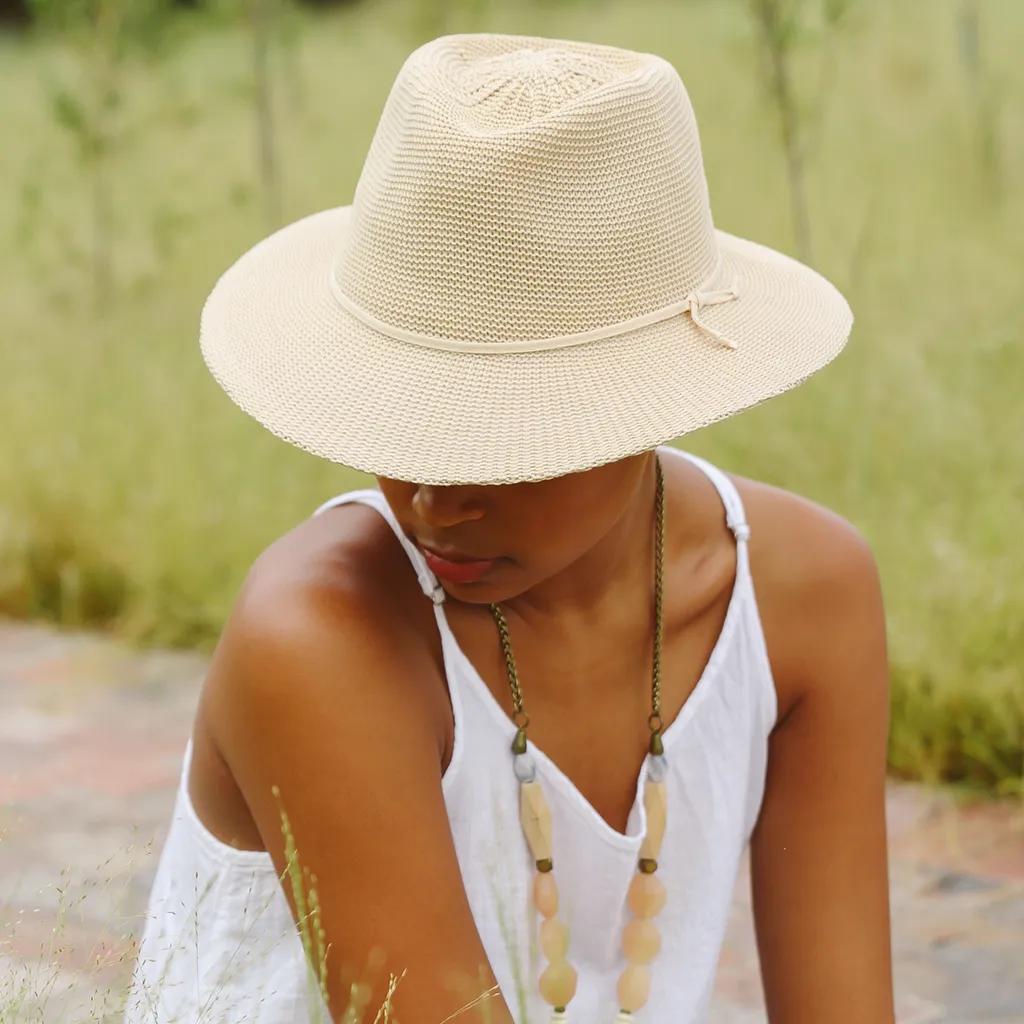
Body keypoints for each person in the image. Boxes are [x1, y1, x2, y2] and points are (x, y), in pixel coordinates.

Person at [123, 31, 895, 1024]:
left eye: (501, 439)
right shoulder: (319, 641)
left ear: (648, 396)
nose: (437, 500)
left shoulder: (804, 596)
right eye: (401, 422)